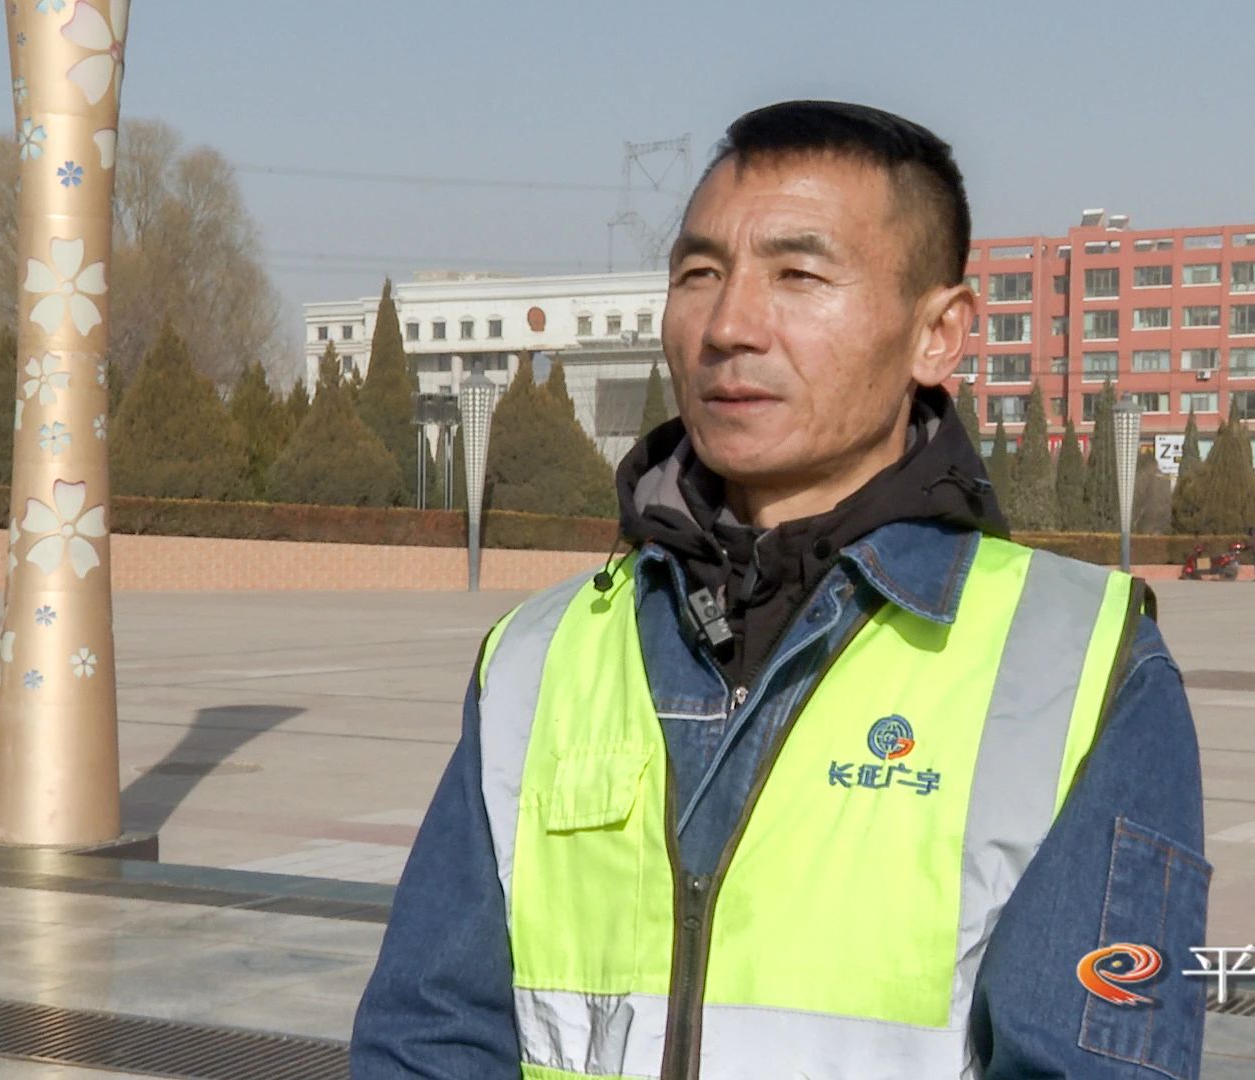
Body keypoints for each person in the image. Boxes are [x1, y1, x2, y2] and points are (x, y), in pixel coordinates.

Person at [353, 101, 1209, 1080]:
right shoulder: (537, 657)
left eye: (798, 275)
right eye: (699, 274)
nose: (728, 326)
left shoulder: (1085, 669)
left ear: (938, 334)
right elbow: (428, 1036)